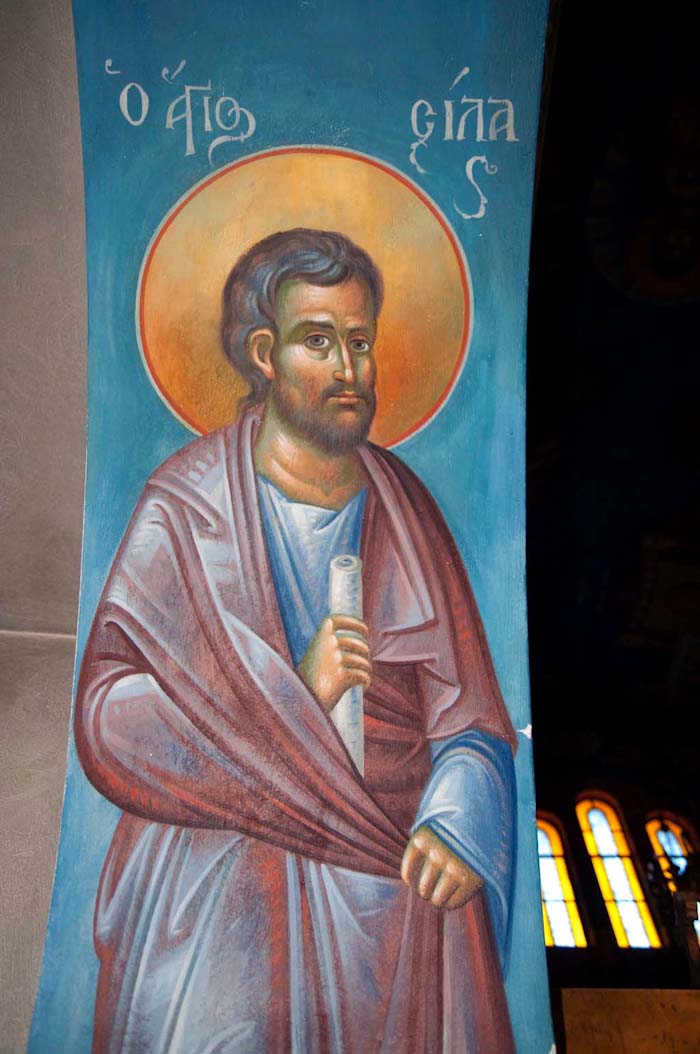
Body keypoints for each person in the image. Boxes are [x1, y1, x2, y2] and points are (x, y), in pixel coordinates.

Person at [75, 228, 517, 1053]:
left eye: (360, 342)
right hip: (229, 883)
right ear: (264, 354)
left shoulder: (410, 510)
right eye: (319, 340)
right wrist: (290, 694)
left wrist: (459, 818)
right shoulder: (187, 507)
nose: (349, 367)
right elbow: (106, 722)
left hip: (391, 882)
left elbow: (473, 724)